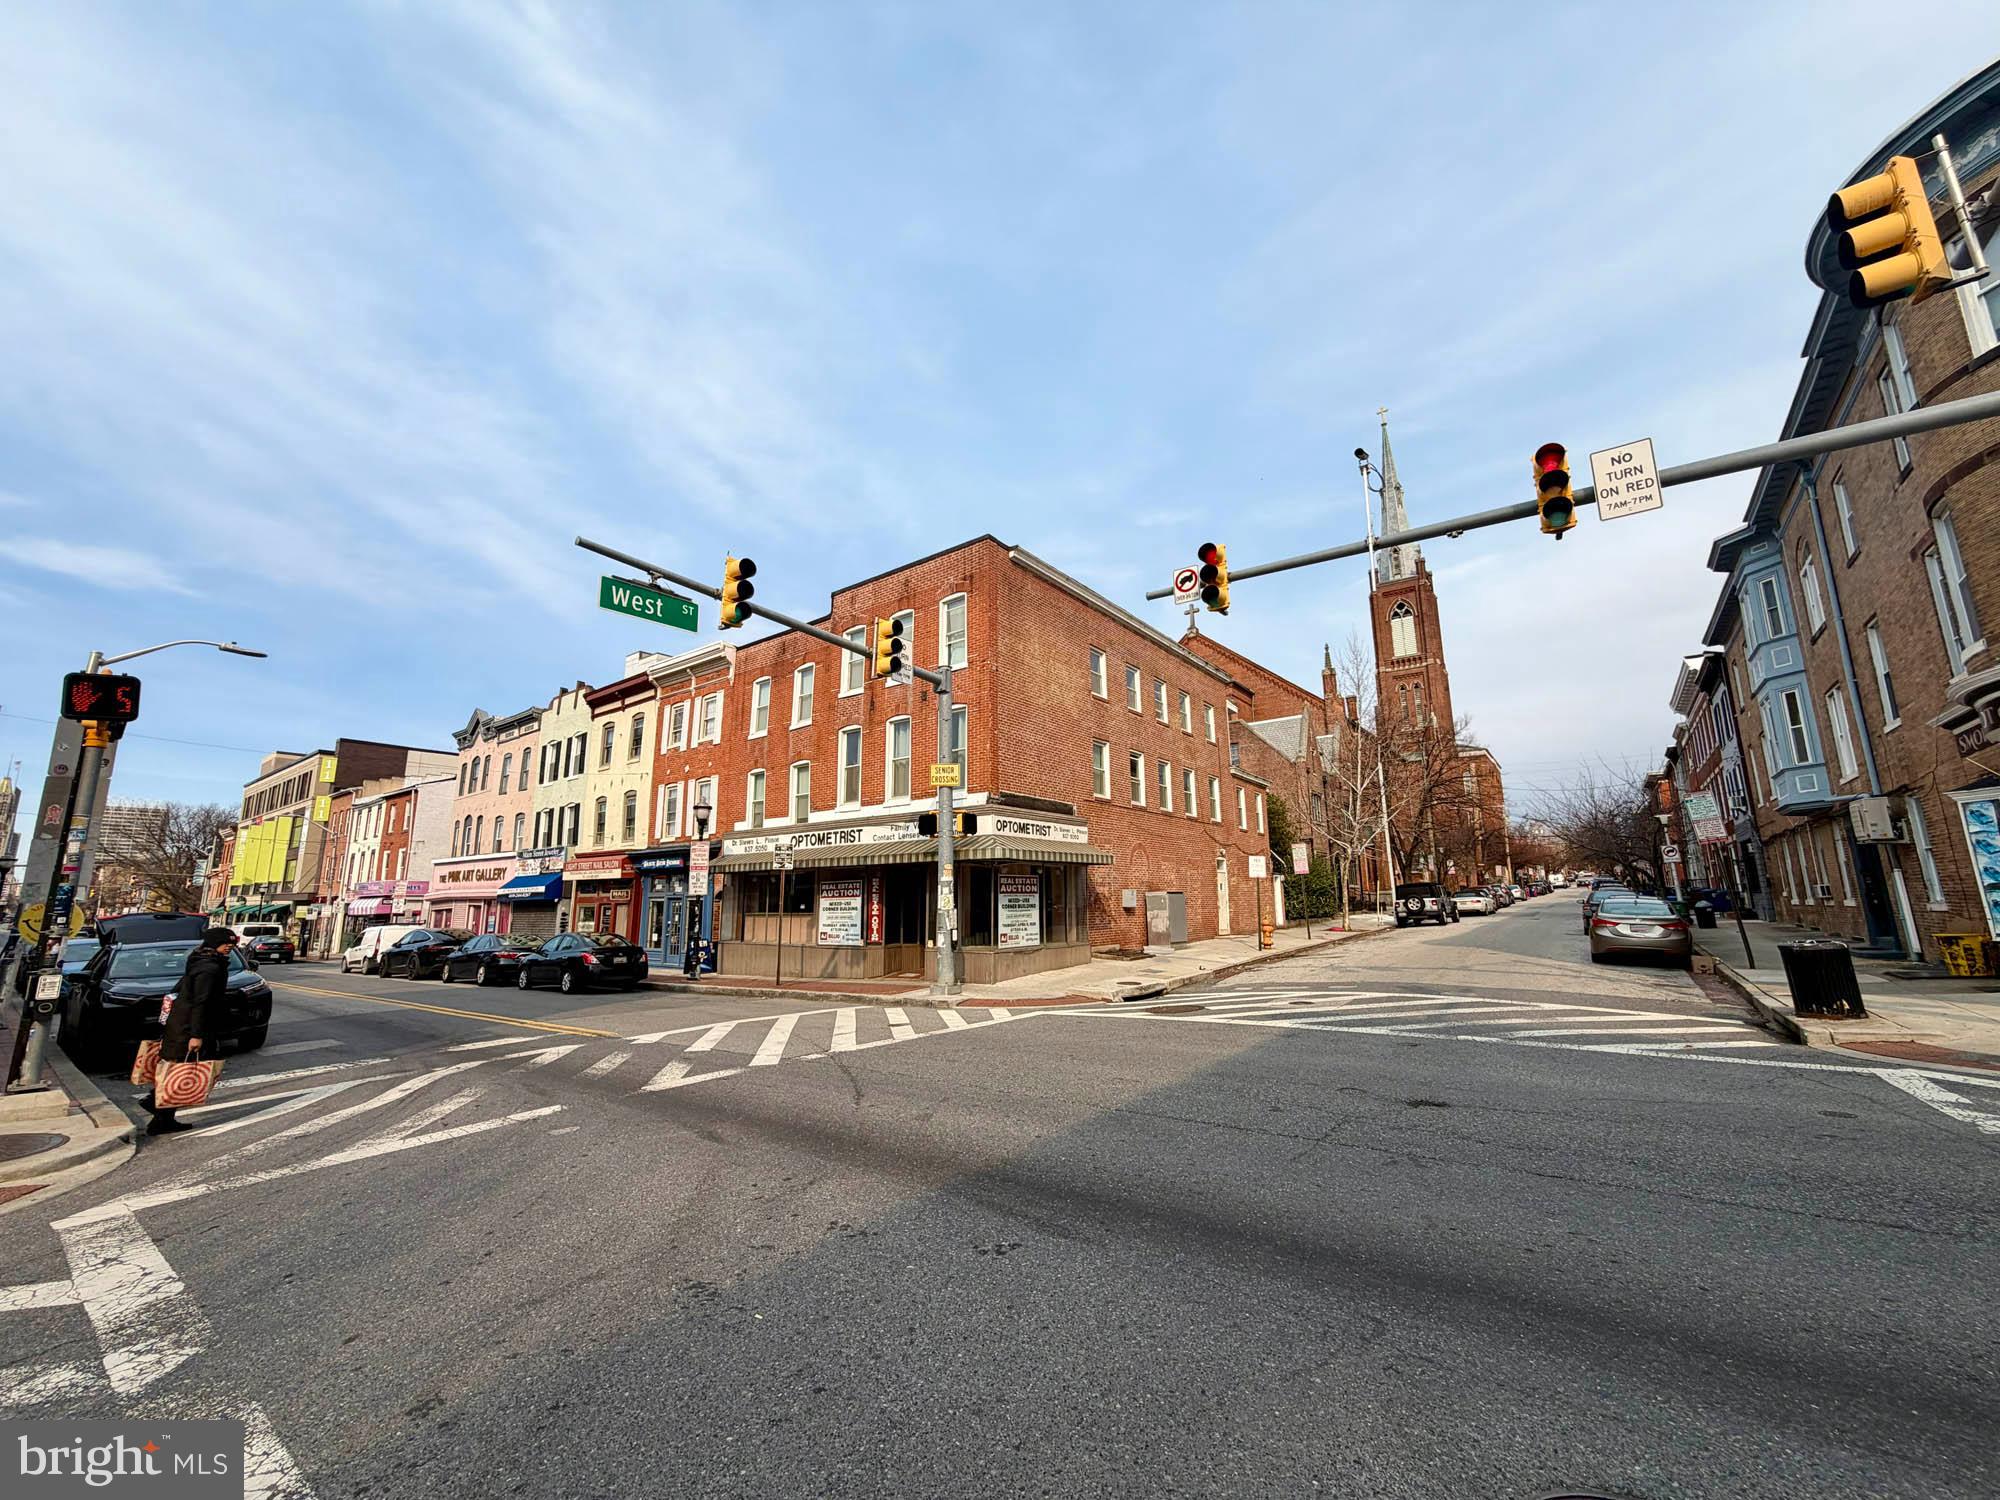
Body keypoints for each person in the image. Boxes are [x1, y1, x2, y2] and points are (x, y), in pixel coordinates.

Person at [144, 926, 234, 1136]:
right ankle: (154, 1104)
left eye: (231, 943)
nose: (229, 946)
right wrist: (196, 1035)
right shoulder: (209, 969)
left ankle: (161, 1119)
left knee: (178, 1070)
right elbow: (200, 1003)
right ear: (214, 944)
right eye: (225, 943)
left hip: (182, 1024)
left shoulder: (201, 961)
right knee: (182, 1070)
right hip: (188, 1027)